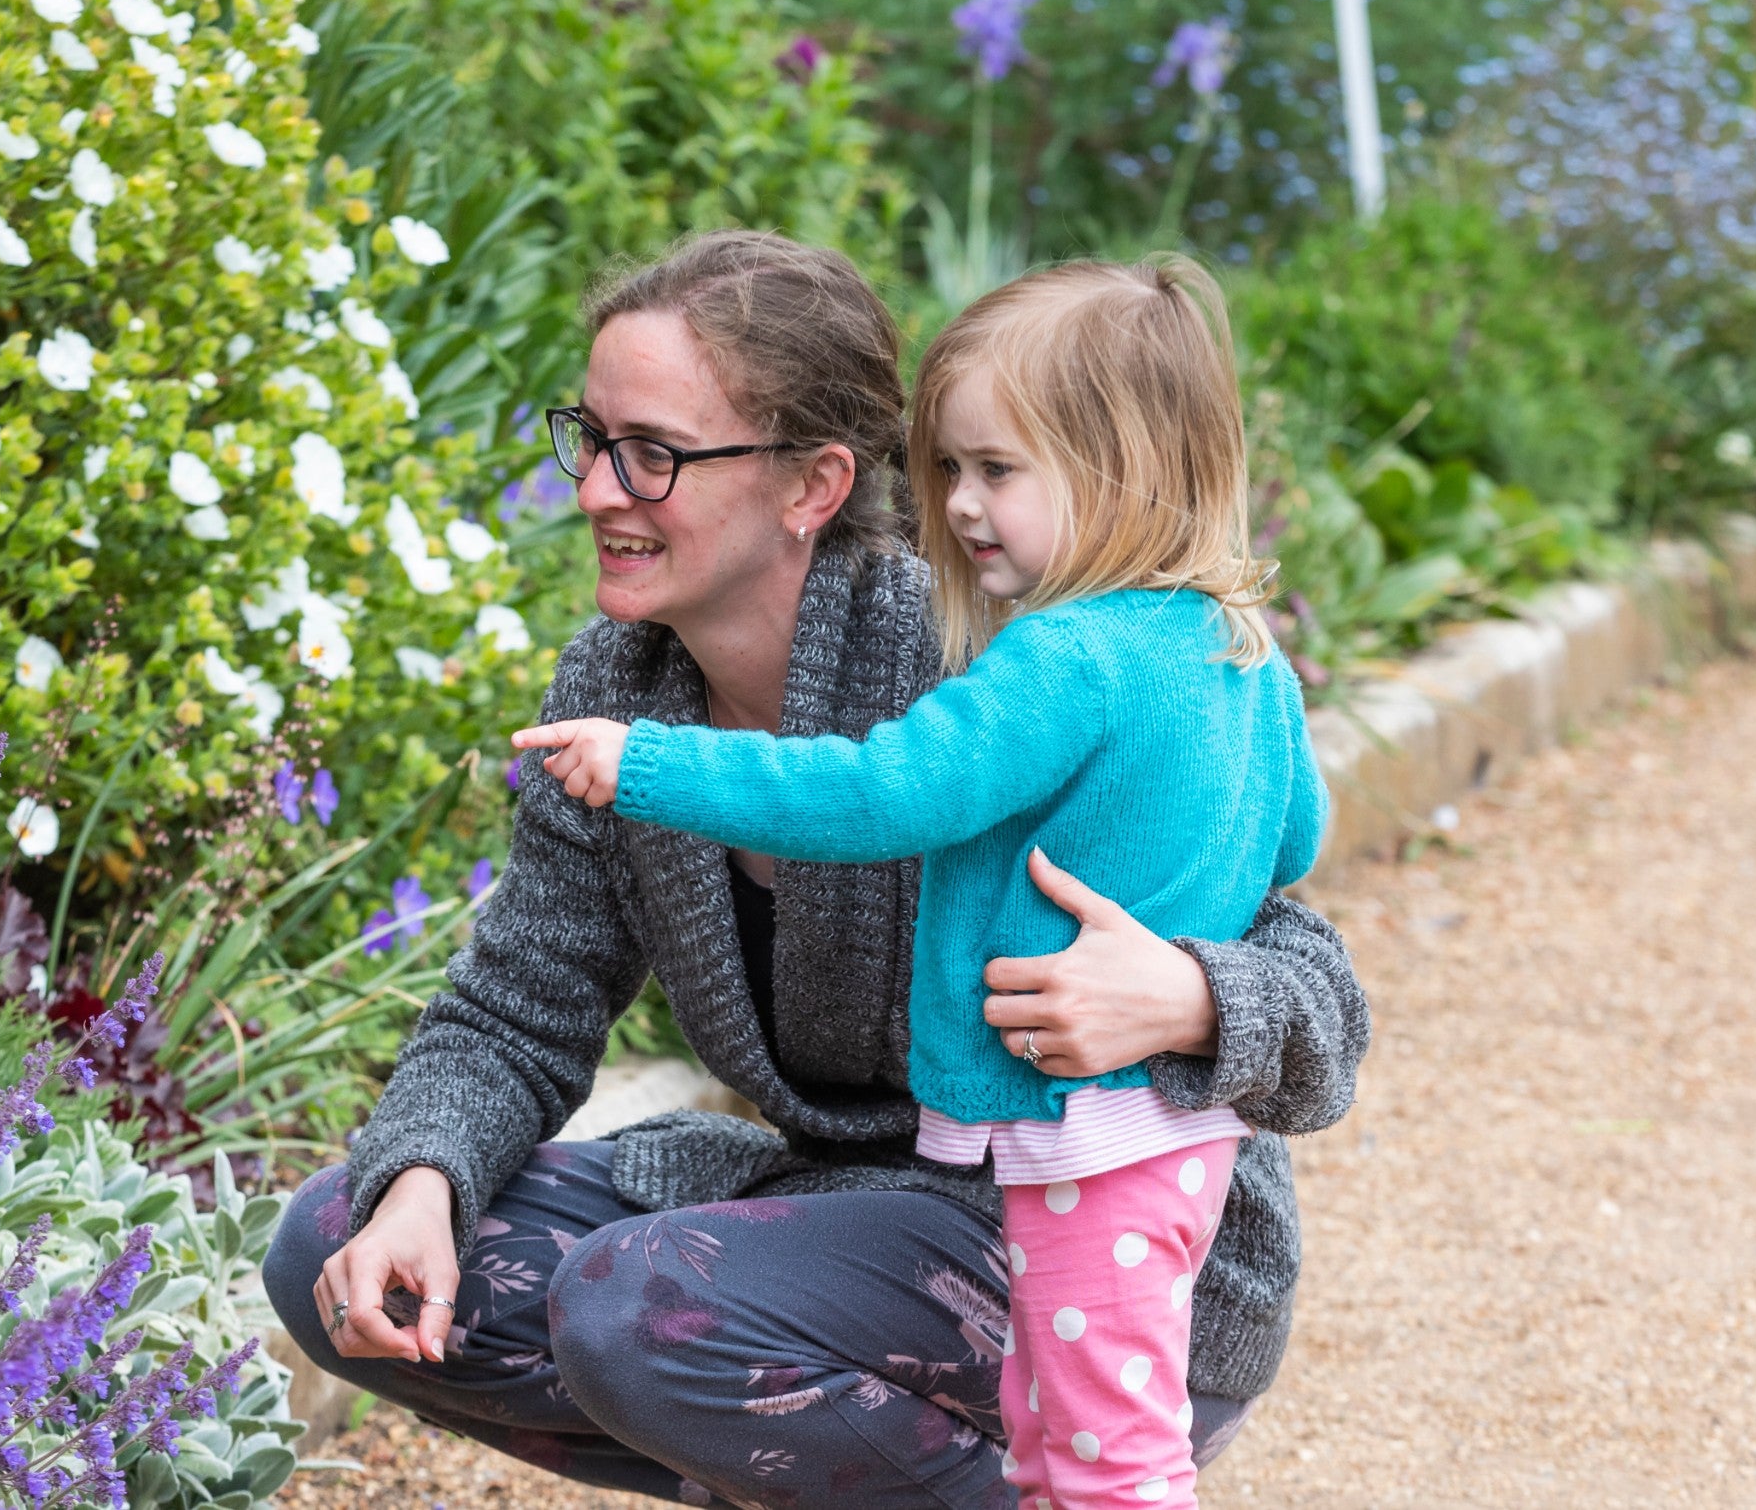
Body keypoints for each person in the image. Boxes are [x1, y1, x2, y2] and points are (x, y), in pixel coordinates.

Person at [259, 230, 1369, 1510]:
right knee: (339, 1244)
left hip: (1090, 1252)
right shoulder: (617, 690)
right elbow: (523, 1000)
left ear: (813, 485)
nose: (599, 491)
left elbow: (1314, 979)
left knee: (644, 1308)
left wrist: (1187, 997)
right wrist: (420, 1179)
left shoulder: (988, 664)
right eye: (592, 438)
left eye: (656, 453)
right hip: (830, 1218)